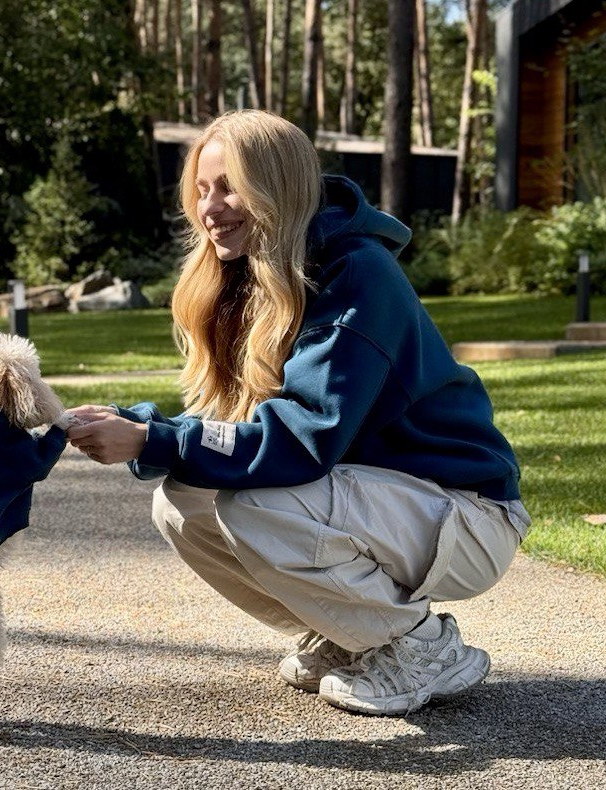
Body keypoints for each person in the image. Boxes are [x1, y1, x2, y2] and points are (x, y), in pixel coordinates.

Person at [65, 110, 530, 716]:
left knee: (256, 505)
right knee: (182, 499)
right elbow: (236, 434)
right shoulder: (253, 279)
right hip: (387, 505)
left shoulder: (357, 275)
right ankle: (350, 634)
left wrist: (152, 439)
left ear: (276, 187)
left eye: (229, 186)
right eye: (201, 191)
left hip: (466, 515)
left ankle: (418, 647)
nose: (210, 209)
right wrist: (135, 425)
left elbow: (300, 441)